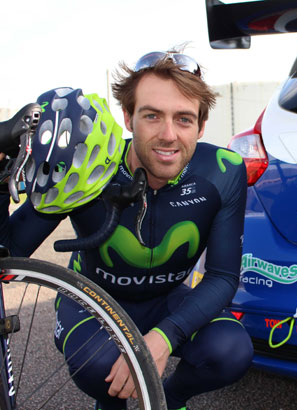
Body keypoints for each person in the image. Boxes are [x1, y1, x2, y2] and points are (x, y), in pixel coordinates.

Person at [0, 50, 252, 410]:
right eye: (152, 116)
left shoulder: (223, 170)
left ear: (201, 124)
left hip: (166, 301)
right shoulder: (88, 163)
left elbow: (223, 277)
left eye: (183, 119)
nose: (168, 135)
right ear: (129, 118)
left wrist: (164, 338)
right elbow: (9, 256)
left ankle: (170, 398)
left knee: (231, 351)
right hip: (92, 300)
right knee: (102, 369)